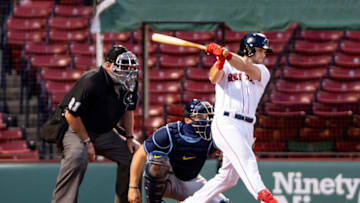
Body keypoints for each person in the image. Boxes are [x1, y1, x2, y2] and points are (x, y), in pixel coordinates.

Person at [184, 33, 278, 203]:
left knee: (228, 178)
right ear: (249, 50)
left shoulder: (262, 71)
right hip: (226, 123)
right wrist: (220, 61)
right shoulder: (226, 65)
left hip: (247, 127)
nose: (264, 55)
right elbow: (213, 78)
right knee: (247, 159)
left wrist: (225, 54)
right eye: (261, 51)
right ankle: (264, 195)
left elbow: (245, 67)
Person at [51, 45, 140, 203]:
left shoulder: (130, 82)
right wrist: (87, 142)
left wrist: (129, 138)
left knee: (133, 156)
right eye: (123, 67)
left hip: (104, 131)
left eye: (130, 67)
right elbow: (71, 115)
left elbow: (128, 110)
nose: (128, 72)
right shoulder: (92, 81)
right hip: (76, 129)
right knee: (78, 156)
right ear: (108, 65)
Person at [127, 99, 229, 203]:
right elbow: (140, 154)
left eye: (207, 117)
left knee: (222, 202)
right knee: (157, 160)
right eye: (200, 117)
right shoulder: (169, 133)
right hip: (166, 180)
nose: (206, 121)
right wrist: (133, 187)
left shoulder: (214, 135)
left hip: (190, 180)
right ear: (187, 119)